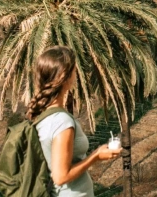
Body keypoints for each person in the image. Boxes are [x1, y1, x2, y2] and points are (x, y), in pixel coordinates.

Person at [26, 46, 122, 196]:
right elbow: (60, 176)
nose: (76, 75)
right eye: (74, 71)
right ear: (65, 76)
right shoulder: (62, 122)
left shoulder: (41, 115)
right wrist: (95, 156)